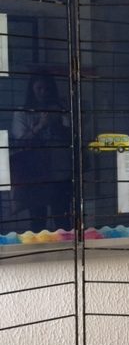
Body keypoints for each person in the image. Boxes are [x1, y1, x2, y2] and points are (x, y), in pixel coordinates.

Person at [11, 72, 72, 232]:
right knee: (38, 221)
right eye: (39, 88)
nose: (43, 92)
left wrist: (62, 117)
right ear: (32, 89)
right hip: (35, 173)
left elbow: (72, 136)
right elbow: (20, 141)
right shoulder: (22, 112)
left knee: (62, 220)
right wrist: (41, 125)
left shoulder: (58, 111)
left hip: (59, 173)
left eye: (47, 89)